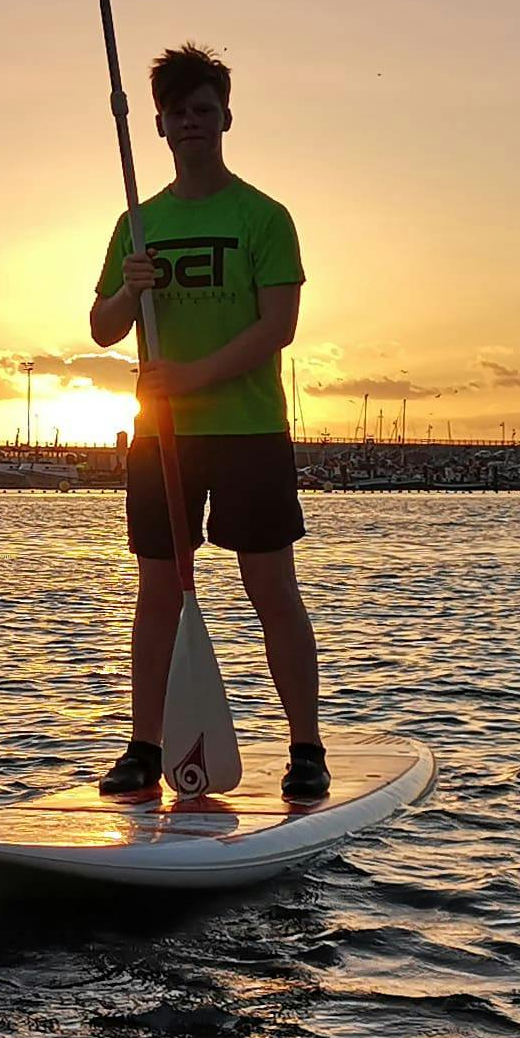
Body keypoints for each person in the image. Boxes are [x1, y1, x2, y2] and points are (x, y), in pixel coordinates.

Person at [88, 42, 326, 798]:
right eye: (177, 113)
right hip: (161, 437)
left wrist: (189, 375)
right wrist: (128, 293)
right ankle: (142, 747)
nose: (191, 123)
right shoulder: (137, 221)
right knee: (160, 588)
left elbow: (275, 327)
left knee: (268, 585)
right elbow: (101, 329)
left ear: (225, 117)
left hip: (247, 430)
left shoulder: (262, 216)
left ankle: (305, 747)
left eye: (204, 110)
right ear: (157, 125)